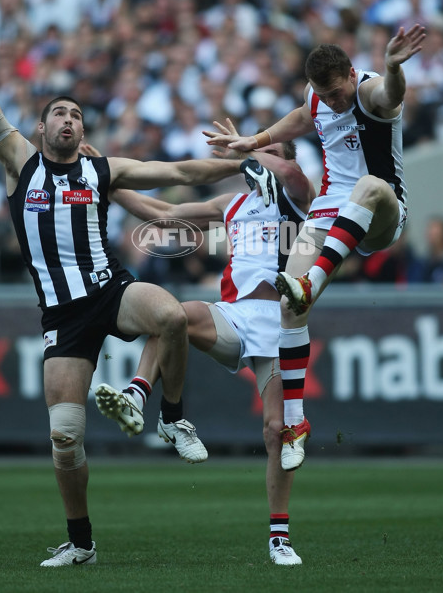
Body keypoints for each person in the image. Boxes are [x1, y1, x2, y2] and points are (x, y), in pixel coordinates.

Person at [0, 0, 274, 568]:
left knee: (171, 316)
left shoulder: (103, 170)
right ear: (42, 127)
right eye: (59, 114)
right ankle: (81, 543)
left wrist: (244, 160)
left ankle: (173, 419)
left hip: (109, 289)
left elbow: (178, 171)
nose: (70, 120)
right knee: (66, 437)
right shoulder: (20, 162)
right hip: (61, 316)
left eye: (77, 114)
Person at [84, 121, 314, 564]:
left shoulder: (299, 199)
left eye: (275, 152)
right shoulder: (233, 203)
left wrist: (247, 148)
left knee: (275, 432)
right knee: (172, 315)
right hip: (234, 315)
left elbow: (292, 176)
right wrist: (105, 180)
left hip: (280, 326)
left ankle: (279, 537)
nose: (265, 160)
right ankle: (138, 396)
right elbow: (159, 214)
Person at [205, 24, 426, 470]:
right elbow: (300, 119)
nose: (332, 101)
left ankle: (313, 279)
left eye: (336, 92)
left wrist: (392, 67)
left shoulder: (368, 94)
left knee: (368, 184)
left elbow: (391, 94)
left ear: (350, 73)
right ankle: (295, 422)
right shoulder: (318, 98)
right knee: (291, 308)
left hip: (382, 209)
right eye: (323, 95)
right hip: (329, 212)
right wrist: (254, 140)